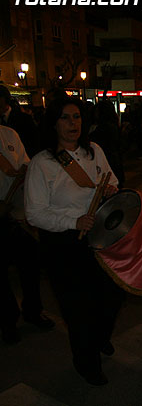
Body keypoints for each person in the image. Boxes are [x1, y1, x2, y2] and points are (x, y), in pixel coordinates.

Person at [24, 96, 123, 386]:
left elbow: (111, 178)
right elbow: (35, 213)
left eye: (77, 117)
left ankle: (99, 337)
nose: (73, 124)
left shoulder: (95, 152)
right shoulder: (42, 163)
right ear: (53, 124)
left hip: (99, 237)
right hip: (63, 246)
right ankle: (86, 362)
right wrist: (73, 221)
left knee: (111, 297)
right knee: (78, 309)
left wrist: (111, 189)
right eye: (66, 118)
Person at [0, 125, 54, 344]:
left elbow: (26, 163)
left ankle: (33, 311)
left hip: (17, 211)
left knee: (29, 265)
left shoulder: (8, 133)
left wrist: (21, 171)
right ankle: (7, 320)